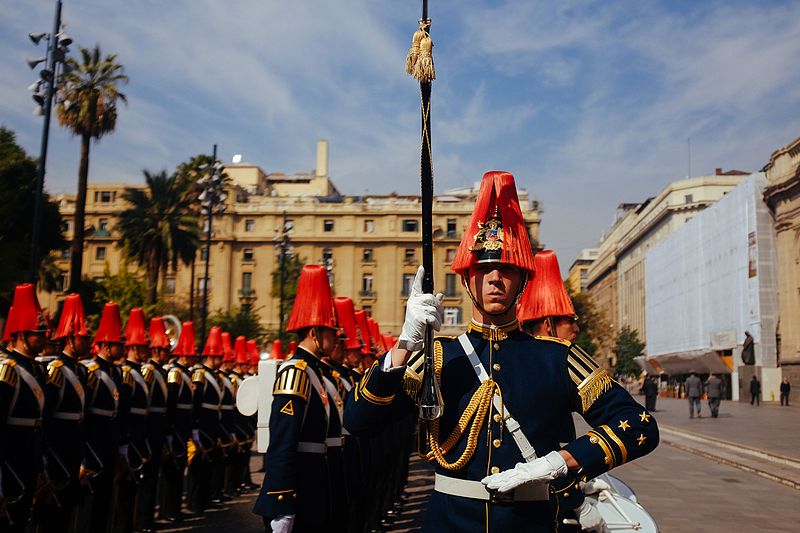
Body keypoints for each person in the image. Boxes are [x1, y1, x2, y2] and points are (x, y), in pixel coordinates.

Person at [344, 171, 659, 532]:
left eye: (507, 269)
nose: (495, 278)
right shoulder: (439, 356)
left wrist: (562, 461)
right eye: (484, 268)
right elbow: (358, 422)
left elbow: (640, 424)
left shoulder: (558, 357)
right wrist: (403, 345)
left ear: (523, 279)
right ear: (466, 278)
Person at [252, 264, 344, 532]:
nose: (335, 337)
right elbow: (283, 441)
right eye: (331, 331)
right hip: (300, 488)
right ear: (314, 333)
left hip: (315, 485)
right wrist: (282, 501)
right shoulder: (296, 373)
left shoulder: (314, 371)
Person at [36, 293, 90, 533]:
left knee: (69, 503)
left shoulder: (81, 370)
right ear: (70, 338)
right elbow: (47, 415)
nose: (88, 343)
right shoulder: (57, 370)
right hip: (59, 445)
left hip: (75, 444)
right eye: (83, 338)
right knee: (51, 509)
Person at [0, 284, 49, 533]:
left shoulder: (39, 369)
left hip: (31, 454)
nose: (43, 338)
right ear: (21, 335)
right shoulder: (7, 369)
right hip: (11, 455)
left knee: (23, 520)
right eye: (37, 333)